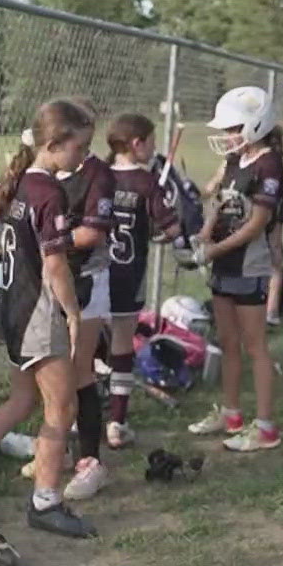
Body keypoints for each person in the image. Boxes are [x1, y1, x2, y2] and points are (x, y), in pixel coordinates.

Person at [0, 100, 98, 538]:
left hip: (12, 311)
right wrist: (72, 312)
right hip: (38, 312)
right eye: (80, 147)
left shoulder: (18, 186)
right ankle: (46, 502)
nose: (84, 157)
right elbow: (54, 266)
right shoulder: (48, 191)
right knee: (61, 406)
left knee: (21, 402)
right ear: (53, 145)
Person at [186, 85, 283, 452]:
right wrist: (203, 235)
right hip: (225, 260)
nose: (227, 136)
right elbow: (220, 205)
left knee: (255, 345)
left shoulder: (269, 164)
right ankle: (231, 414)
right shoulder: (234, 160)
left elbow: (256, 223)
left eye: (233, 128)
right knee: (227, 340)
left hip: (249, 262)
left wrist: (212, 252)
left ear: (257, 125)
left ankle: (266, 427)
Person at [101, 113, 179, 449]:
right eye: (151, 139)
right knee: (121, 346)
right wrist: (154, 233)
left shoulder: (96, 176)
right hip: (127, 275)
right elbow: (173, 229)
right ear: (137, 144)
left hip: (93, 275)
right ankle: (117, 422)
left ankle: (77, 417)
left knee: (84, 345)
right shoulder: (147, 184)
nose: (155, 146)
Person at [58, 130, 119, 500]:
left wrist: (48, 241)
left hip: (89, 279)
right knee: (54, 370)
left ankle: (90, 461)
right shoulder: (44, 167)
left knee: (79, 369)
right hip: (54, 277)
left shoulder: (98, 174)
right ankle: (60, 447)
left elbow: (92, 234)